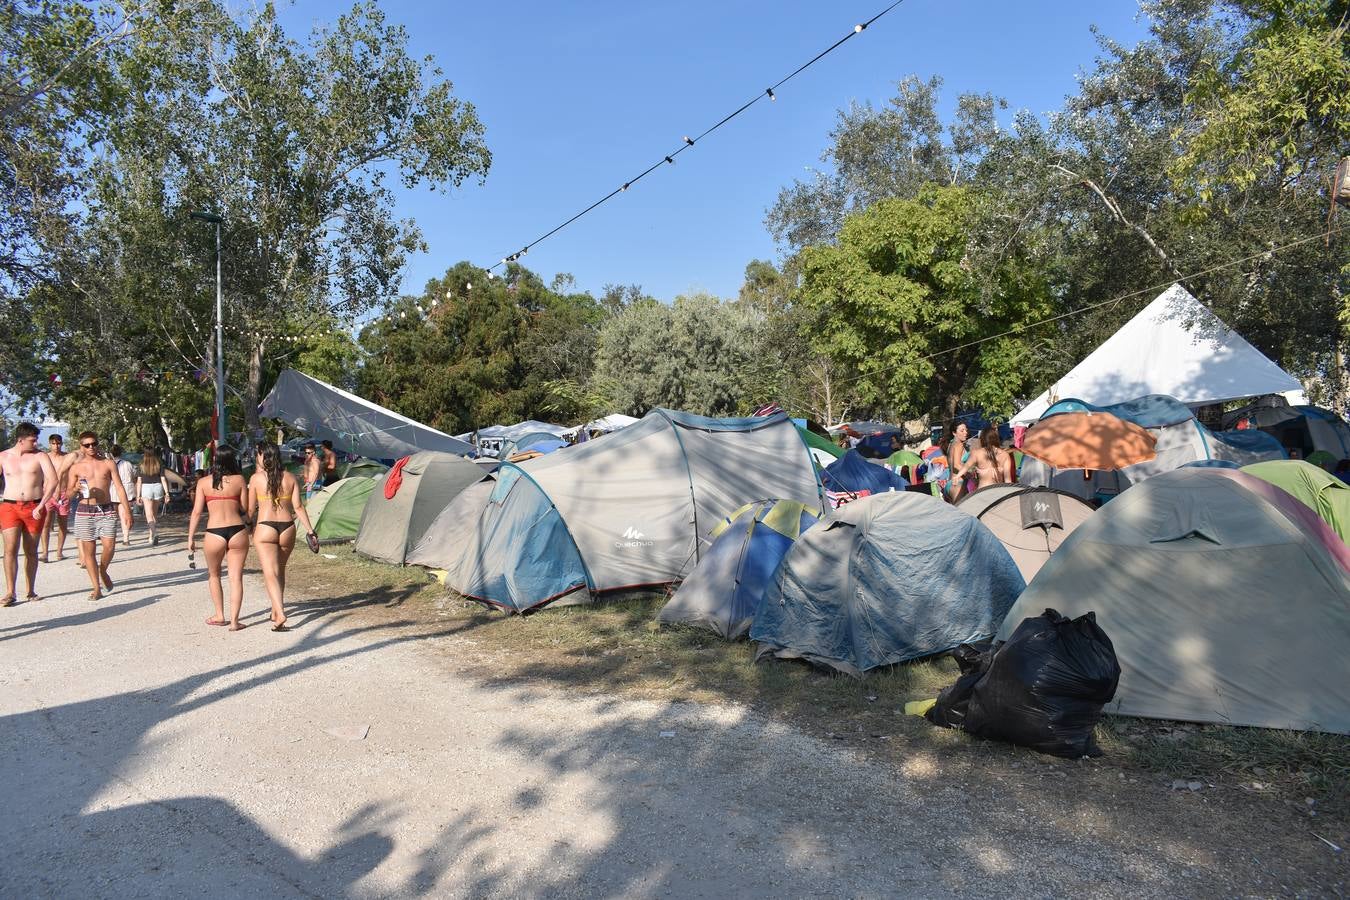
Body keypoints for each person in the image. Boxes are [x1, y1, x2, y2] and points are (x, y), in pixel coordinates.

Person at [247, 441, 317, 632]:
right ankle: (275, 610)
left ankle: (280, 612)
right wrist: (310, 531)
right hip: (287, 527)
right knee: (280, 570)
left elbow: (251, 509)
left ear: (262, 456)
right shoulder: (291, 477)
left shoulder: (256, 479)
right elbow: (299, 507)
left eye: (258, 454)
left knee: (270, 571)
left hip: (265, 527)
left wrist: (246, 525)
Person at [186, 446, 249, 630]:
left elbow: (197, 511)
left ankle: (220, 615)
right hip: (237, 529)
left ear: (215, 461)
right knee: (235, 577)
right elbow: (244, 507)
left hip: (214, 532)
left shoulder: (204, 482)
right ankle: (235, 622)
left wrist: (190, 537)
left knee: (214, 575)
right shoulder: (239, 480)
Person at [64, 432, 132, 601]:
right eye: (86, 445)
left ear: (98, 444)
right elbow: (68, 494)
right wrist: (75, 489)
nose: (91, 447)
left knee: (110, 546)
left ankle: (103, 570)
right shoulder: (76, 467)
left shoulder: (108, 464)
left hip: (106, 509)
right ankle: (96, 588)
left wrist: (127, 511)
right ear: (81, 446)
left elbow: (119, 487)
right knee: (89, 551)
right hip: (85, 509)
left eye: (93, 443)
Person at [0, 423, 58, 606]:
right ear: (21, 440)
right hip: (9, 505)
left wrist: (42, 504)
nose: (35, 443)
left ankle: (30, 589)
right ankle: (10, 591)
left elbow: (53, 480)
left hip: (34, 506)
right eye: (32, 440)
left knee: (31, 550)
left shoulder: (40, 456)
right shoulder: (3, 456)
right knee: (10, 549)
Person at [40, 433, 72, 562]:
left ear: (61, 444)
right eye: (53, 443)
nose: (56, 446)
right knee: (46, 524)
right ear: (50, 444)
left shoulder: (67, 457)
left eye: (58, 443)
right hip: (47, 494)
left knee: (62, 525)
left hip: (63, 494)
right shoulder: (45, 457)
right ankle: (44, 552)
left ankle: (59, 551)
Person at [954, 426, 1017, 491]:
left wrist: (957, 476)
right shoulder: (1005, 455)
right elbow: (1008, 480)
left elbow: (966, 467)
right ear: (996, 438)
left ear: (982, 439)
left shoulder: (976, 453)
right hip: (998, 492)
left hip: (982, 492)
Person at [135, 448, 167, 546]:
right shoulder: (158, 464)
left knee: (148, 514)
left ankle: (154, 532)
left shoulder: (141, 465)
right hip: (158, 487)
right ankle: (151, 536)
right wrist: (167, 493)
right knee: (154, 514)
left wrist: (138, 495)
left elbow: (139, 481)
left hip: (146, 488)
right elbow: (163, 479)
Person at [111, 445, 136, 547]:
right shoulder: (128, 464)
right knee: (124, 516)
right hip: (126, 492)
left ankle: (111, 537)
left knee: (112, 516)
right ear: (121, 453)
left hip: (112, 491)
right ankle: (126, 538)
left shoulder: (109, 464)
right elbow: (133, 476)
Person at [940, 420, 972, 501]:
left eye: (966, 430)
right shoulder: (958, 444)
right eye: (962, 431)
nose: (965, 432)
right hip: (958, 484)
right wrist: (970, 475)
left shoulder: (951, 444)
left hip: (951, 484)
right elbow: (956, 465)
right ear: (954, 433)